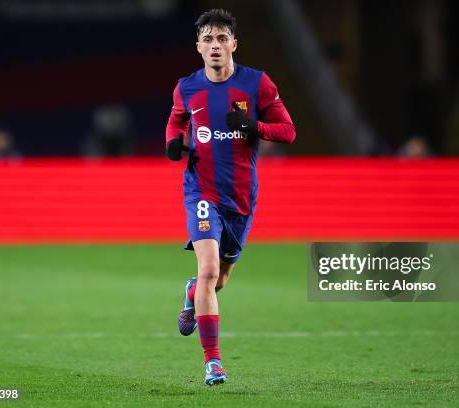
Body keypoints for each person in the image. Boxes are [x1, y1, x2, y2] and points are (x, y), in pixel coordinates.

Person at [165, 9, 296, 386]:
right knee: (207, 270)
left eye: (222, 39)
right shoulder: (187, 87)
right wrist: (173, 143)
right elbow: (177, 118)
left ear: (234, 44)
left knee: (218, 280)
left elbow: (288, 131)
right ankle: (213, 362)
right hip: (201, 191)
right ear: (198, 48)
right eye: (208, 39)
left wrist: (254, 126)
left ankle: (193, 293)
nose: (215, 46)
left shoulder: (257, 84)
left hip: (241, 198)